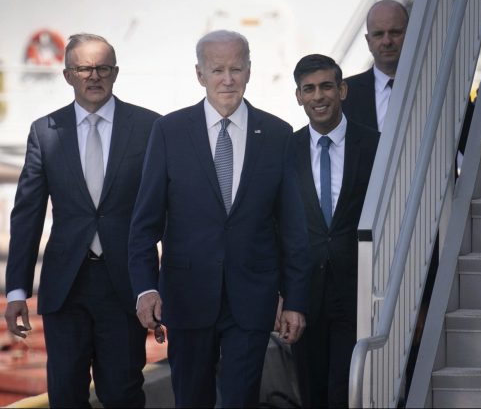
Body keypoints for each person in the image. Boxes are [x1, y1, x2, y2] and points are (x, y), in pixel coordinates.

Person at [128, 30, 310, 407]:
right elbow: (145, 223)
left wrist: (294, 299)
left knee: (240, 400)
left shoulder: (277, 134)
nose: (228, 79)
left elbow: (292, 227)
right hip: (187, 296)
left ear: (249, 71)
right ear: (200, 75)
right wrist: (146, 289)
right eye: (217, 70)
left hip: (253, 299)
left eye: (236, 69)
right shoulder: (169, 132)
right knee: (191, 399)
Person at [4, 33, 160, 407]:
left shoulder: (150, 127)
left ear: (116, 73)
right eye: (83, 68)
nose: (94, 76)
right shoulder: (45, 131)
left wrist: (163, 286)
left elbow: (167, 208)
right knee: (66, 395)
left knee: (122, 392)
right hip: (65, 287)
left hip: (125, 286)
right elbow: (27, 213)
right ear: (67, 75)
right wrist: (16, 291)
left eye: (103, 68)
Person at [289, 54, 379, 407]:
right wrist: (284, 295)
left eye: (326, 86)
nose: (318, 96)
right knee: (311, 394)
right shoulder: (286, 150)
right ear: (298, 96)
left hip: (357, 293)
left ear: (342, 89)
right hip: (304, 297)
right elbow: (277, 226)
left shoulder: (375, 146)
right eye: (308, 89)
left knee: (347, 393)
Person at [344, 0, 408, 132]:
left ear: (409, 34)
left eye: (395, 32)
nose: (387, 41)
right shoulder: (344, 94)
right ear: (368, 41)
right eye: (379, 34)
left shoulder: (436, 85)